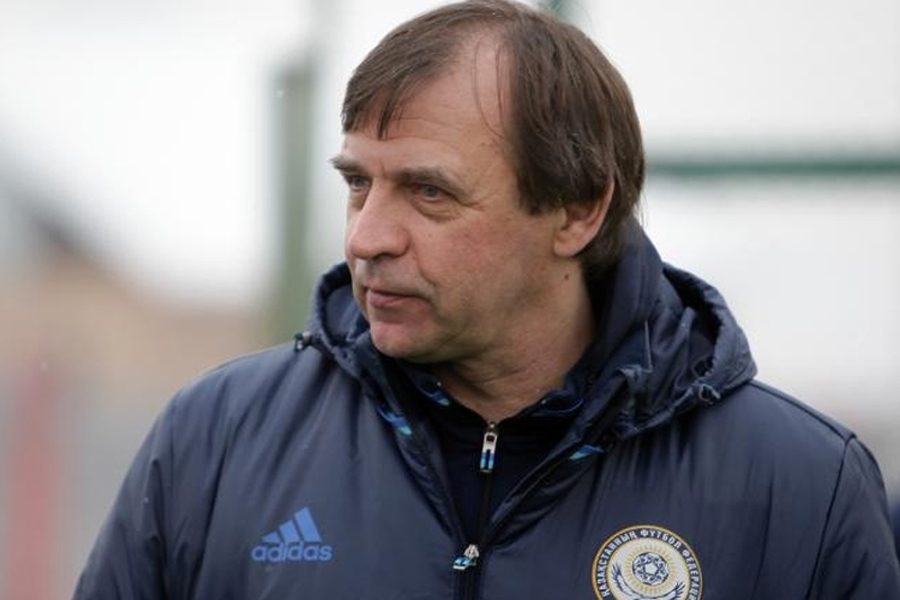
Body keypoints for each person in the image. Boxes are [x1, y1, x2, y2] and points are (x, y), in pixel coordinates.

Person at [74, 1, 900, 598]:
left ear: (579, 211)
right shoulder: (216, 440)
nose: (368, 237)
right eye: (359, 184)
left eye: (429, 193)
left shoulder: (801, 490)